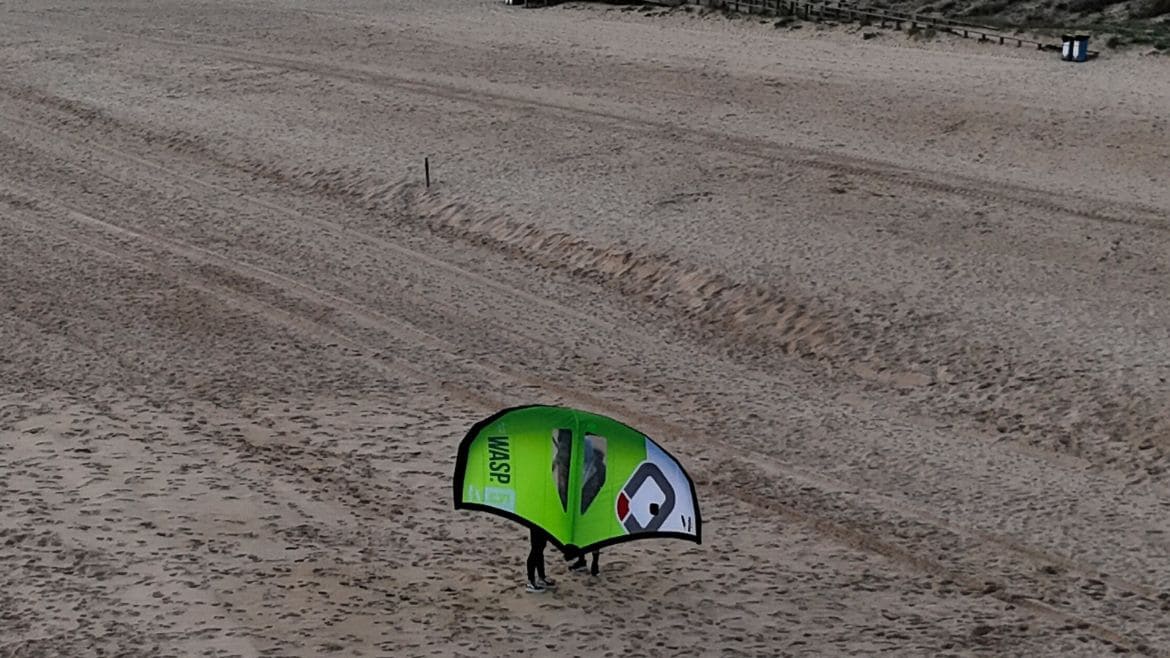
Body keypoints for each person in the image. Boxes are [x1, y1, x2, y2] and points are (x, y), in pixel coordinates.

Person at [526, 527, 557, 593]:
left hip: (544, 521)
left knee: (541, 546)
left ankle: (541, 577)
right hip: (537, 521)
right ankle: (530, 582)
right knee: (536, 548)